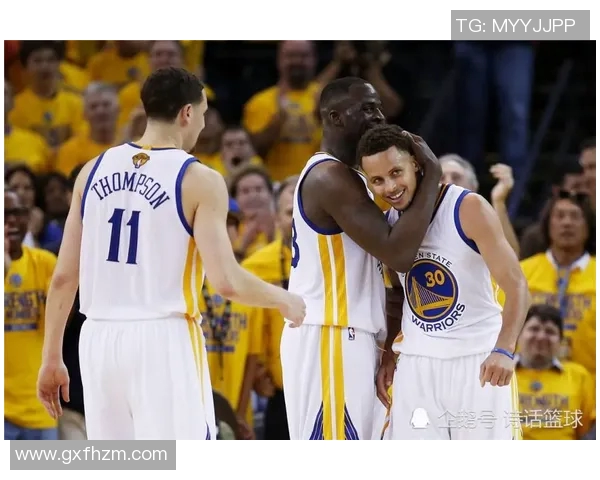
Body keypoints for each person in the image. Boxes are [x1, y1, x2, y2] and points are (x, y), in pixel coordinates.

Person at [36, 67, 306, 441]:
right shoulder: (199, 179)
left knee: (117, 464)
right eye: (203, 113)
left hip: (97, 339)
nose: (203, 124)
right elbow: (226, 282)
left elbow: (65, 277)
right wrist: (285, 299)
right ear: (187, 113)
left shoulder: (91, 172)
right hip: (161, 337)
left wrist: (51, 356)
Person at [280, 77, 442, 440]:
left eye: (378, 107)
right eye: (367, 108)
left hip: (349, 336)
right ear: (335, 117)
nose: (379, 116)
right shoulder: (329, 177)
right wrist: (431, 174)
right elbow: (399, 254)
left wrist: (387, 346)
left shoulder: (352, 179)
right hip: (331, 334)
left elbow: (385, 276)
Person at [359, 124, 530, 440]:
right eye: (378, 180)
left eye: (396, 173)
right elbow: (397, 296)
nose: (390, 187)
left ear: (415, 164)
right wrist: (388, 355)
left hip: (478, 360)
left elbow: (517, 285)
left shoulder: (468, 207)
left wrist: (505, 349)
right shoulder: (386, 224)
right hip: (417, 364)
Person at [514, 304, 596, 441]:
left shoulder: (578, 376)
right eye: (534, 329)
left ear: (560, 341)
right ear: (518, 335)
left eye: (550, 331)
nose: (541, 336)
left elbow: (588, 429)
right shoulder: (499, 374)